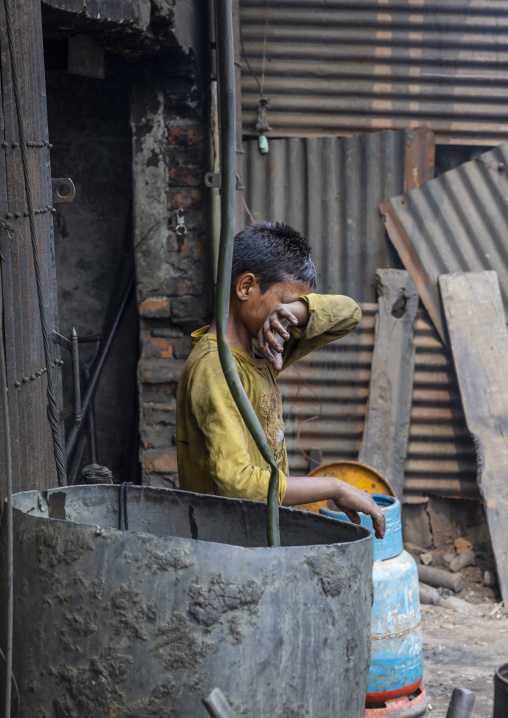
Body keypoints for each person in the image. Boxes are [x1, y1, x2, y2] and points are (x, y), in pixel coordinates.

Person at [176, 222, 385, 539]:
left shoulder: (263, 347)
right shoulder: (216, 367)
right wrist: (334, 486)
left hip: (254, 535)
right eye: (284, 303)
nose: (288, 322)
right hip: (223, 543)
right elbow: (237, 483)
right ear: (246, 288)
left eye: (294, 310)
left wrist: (297, 310)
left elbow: (349, 314)